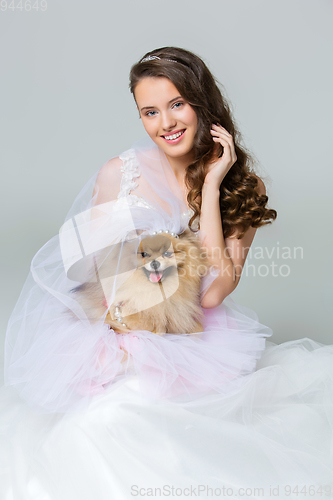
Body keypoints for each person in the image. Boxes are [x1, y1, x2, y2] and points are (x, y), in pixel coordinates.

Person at [0, 47, 332, 499]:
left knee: (158, 427)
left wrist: (212, 187)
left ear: (203, 104)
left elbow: (214, 292)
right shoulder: (120, 174)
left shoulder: (243, 187)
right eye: (150, 112)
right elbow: (92, 274)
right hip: (123, 327)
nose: (166, 124)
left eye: (177, 105)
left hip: (197, 338)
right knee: (102, 422)